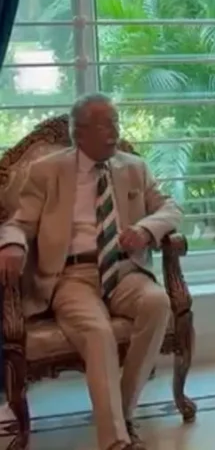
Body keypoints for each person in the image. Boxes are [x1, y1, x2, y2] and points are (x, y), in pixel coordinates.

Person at [0, 94, 182, 450]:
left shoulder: (134, 167)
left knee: (158, 303)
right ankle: (115, 441)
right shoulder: (47, 171)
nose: (115, 132)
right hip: (71, 276)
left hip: (124, 269)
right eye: (105, 125)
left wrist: (146, 230)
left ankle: (122, 413)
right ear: (79, 132)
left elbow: (170, 208)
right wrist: (12, 245)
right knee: (98, 332)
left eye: (116, 122)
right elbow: (18, 223)